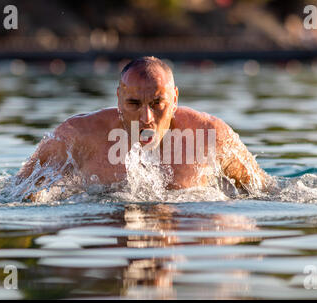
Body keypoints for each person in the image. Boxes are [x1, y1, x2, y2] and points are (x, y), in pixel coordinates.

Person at [16, 56, 269, 200]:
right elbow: (15, 195)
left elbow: (266, 192)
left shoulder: (210, 135)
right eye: (134, 103)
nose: (146, 117)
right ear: (118, 100)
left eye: (157, 103)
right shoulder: (76, 136)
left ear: (175, 100)